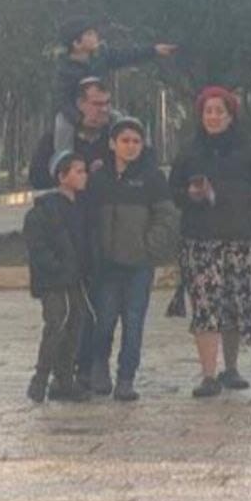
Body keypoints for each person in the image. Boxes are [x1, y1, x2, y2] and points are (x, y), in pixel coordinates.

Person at [168, 86, 251, 398]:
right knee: (206, 306)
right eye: (208, 111)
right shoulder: (189, 153)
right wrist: (192, 196)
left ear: (230, 115)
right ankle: (208, 374)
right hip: (201, 240)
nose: (213, 117)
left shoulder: (249, 151)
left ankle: (231, 367)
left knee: (235, 305)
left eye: (219, 111)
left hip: (241, 240)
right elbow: (174, 193)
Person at [86, 116, 176, 401]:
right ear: (113, 144)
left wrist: (148, 248)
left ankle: (126, 377)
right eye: (125, 140)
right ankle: (99, 367)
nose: (131, 146)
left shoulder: (152, 178)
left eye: (136, 141)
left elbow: (166, 217)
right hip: (106, 267)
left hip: (138, 266)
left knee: (134, 324)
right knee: (104, 321)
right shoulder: (98, 178)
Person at [23, 151, 92, 404]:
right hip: (54, 280)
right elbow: (38, 247)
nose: (83, 176)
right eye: (78, 171)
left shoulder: (81, 208)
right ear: (62, 176)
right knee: (56, 324)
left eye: (84, 171)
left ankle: (64, 379)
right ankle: (40, 378)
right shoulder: (46, 210)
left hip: (76, 279)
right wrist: (57, 267)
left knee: (75, 324)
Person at [52, 19, 175, 153]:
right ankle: (63, 158)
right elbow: (62, 100)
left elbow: (127, 55)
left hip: (101, 107)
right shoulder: (65, 70)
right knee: (62, 123)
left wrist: (153, 50)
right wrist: (79, 118)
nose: (96, 36)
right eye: (89, 34)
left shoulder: (101, 57)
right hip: (76, 112)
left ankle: (137, 155)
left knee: (121, 120)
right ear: (76, 43)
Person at [29, 78, 117, 190]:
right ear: (80, 104)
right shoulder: (54, 139)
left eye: (107, 103)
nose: (104, 109)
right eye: (97, 104)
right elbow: (37, 179)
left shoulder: (119, 137)